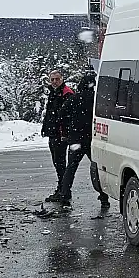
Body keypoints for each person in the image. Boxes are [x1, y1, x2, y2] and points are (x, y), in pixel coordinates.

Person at [56, 70, 99, 207]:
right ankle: (104, 197)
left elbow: (61, 114)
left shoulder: (75, 98)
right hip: (92, 139)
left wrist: (70, 128)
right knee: (97, 166)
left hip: (75, 139)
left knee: (71, 168)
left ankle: (64, 194)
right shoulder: (97, 99)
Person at [40, 69, 74, 202]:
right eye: (52, 79)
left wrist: (64, 132)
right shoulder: (53, 93)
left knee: (60, 164)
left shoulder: (66, 93)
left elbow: (67, 115)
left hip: (61, 135)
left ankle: (64, 190)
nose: (54, 81)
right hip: (53, 133)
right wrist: (46, 128)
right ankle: (62, 188)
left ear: (62, 79)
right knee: (57, 163)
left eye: (57, 79)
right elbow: (50, 114)